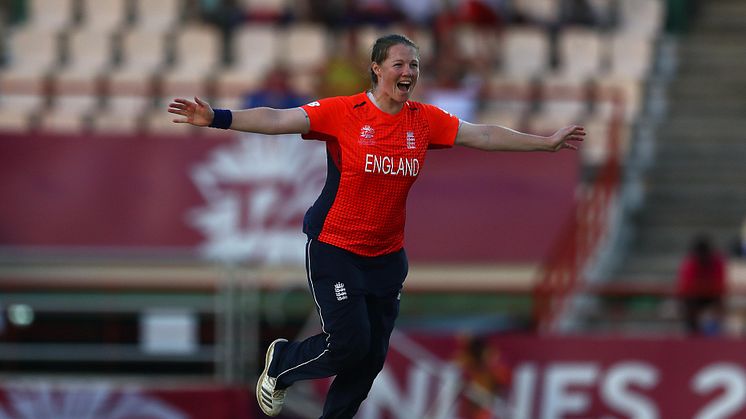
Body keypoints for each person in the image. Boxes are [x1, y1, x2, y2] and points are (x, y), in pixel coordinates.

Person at [168, 33, 585, 419]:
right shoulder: (343, 112)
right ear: (376, 69)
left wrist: (544, 142)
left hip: (386, 257)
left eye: (415, 66)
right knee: (349, 344)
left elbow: (485, 136)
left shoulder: (423, 120)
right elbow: (278, 120)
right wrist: (217, 117)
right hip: (335, 247)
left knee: (368, 363)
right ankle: (283, 362)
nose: (408, 73)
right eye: (400, 64)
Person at [676, 234, 727, 335]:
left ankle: (716, 331)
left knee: (719, 302)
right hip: (694, 297)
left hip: (712, 295)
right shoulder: (690, 263)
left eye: (705, 255)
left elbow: (719, 285)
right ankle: (693, 330)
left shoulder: (717, 262)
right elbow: (686, 287)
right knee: (689, 303)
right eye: (700, 255)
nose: (703, 258)